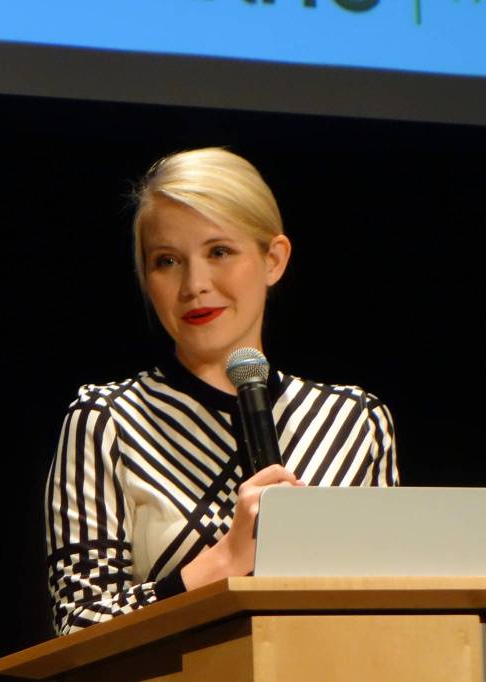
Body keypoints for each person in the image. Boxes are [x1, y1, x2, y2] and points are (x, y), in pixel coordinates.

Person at [44, 148, 399, 636]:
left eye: (219, 252)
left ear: (273, 259)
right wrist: (223, 562)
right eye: (167, 261)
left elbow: (387, 608)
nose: (194, 284)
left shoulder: (352, 422)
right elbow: (78, 626)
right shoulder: (109, 419)